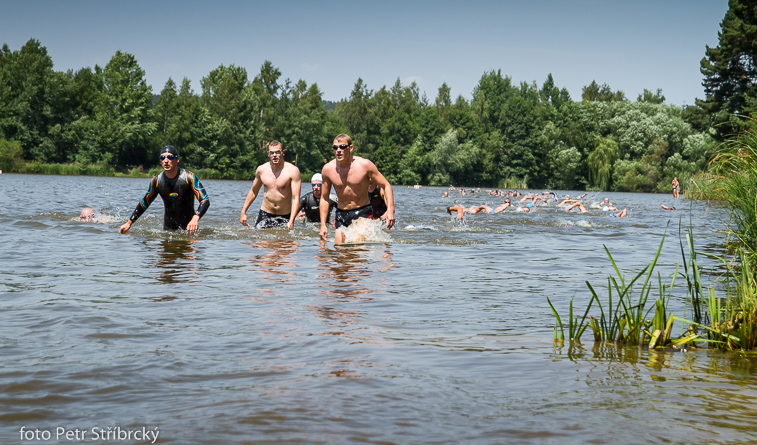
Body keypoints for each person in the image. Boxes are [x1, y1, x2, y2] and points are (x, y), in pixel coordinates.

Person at [319, 134, 395, 244]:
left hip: (362, 212)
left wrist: (390, 210)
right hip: (341, 214)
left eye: (342, 147)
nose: (338, 150)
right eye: (335, 147)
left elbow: (386, 185)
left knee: (356, 245)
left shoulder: (365, 165)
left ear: (351, 148)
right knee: (340, 250)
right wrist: (323, 225)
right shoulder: (328, 169)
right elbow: (324, 198)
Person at [119, 145, 209, 235]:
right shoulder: (157, 181)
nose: (166, 161)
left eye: (170, 157)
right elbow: (145, 202)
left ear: (177, 160)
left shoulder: (189, 177)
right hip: (168, 231)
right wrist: (129, 222)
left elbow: (205, 201)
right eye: (162, 158)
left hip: (190, 230)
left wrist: (195, 218)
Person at [240, 141, 301, 229]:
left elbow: (296, 198)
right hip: (265, 213)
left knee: (286, 242)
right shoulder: (261, 170)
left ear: (283, 153)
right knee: (261, 241)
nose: (274, 155)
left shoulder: (293, 171)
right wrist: (243, 212)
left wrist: (291, 220)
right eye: (272, 153)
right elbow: (254, 191)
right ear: (268, 154)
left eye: (277, 152)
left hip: (284, 215)